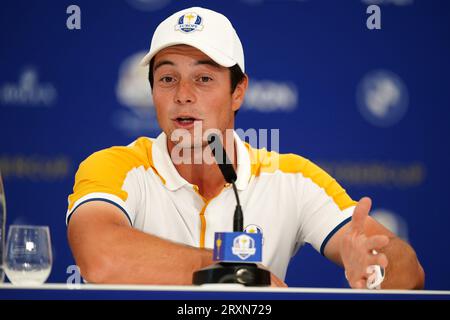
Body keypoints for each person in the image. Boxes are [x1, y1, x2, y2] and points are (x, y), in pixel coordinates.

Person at [66, 6, 425, 289]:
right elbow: (99, 257)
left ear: (238, 91)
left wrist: (376, 269)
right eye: (167, 78)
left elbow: (408, 270)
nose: (183, 95)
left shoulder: (292, 179)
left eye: (203, 78)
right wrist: (230, 274)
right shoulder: (115, 167)